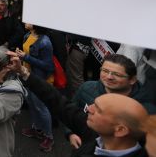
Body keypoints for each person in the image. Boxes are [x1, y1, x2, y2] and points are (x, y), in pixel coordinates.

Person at [10, 53, 150, 156]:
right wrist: (23, 72)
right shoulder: (93, 130)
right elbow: (60, 104)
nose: (88, 108)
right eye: (105, 71)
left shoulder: (146, 112)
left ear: (121, 129)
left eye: (99, 109)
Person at [16, 23, 55, 152]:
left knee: (41, 107)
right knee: (32, 103)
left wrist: (25, 57)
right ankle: (37, 129)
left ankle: (49, 137)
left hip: (38, 80)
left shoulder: (45, 42)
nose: (25, 22)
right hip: (27, 76)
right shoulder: (28, 35)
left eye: (29, 20)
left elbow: (48, 66)